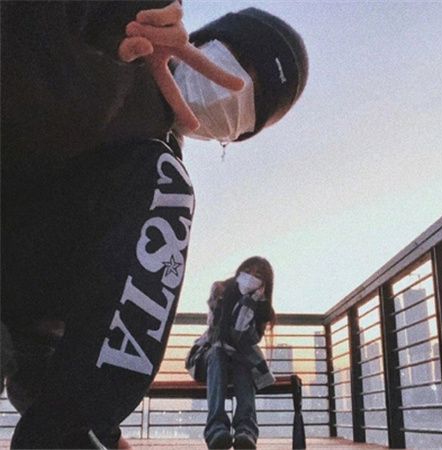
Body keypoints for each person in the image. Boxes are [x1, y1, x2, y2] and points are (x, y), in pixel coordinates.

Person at [1, 3, 308, 448]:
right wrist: (114, 22)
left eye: (251, 107)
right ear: (200, 41)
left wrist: (83, 424)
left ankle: (77, 426)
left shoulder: (150, 178)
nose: (234, 90)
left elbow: (60, 305)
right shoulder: (123, 44)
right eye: (240, 63)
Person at [186, 257, 276, 450]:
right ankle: (216, 431)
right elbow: (216, 331)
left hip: (238, 361)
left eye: (258, 275)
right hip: (209, 358)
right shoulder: (221, 290)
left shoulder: (262, 308)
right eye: (247, 271)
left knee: (243, 361)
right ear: (239, 271)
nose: (250, 277)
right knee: (219, 352)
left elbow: (244, 339)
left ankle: (246, 431)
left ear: (264, 284)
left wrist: (249, 303)